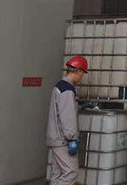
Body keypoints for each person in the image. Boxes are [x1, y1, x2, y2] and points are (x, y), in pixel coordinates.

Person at [46, 56, 88, 185]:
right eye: (82, 73)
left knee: (57, 174)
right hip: (63, 140)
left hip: (56, 137)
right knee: (71, 172)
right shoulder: (67, 90)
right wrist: (72, 139)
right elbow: (67, 117)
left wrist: (77, 106)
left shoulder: (60, 86)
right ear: (78, 71)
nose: (81, 77)